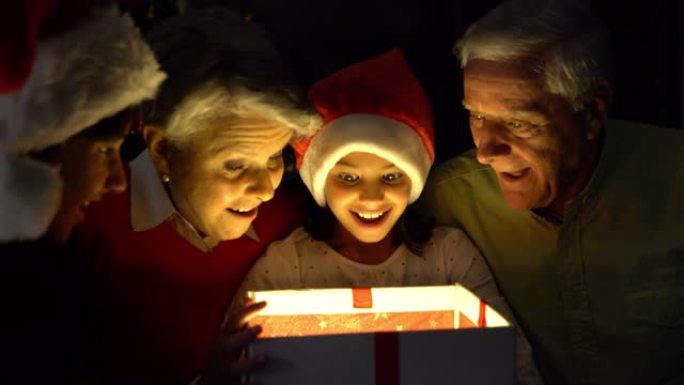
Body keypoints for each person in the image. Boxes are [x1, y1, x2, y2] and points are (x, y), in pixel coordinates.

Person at [232, 49, 542, 385]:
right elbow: (235, 365)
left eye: (391, 177)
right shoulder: (286, 265)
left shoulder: (449, 257)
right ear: (318, 181)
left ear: (415, 181)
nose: (371, 197)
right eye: (348, 178)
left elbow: (513, 363)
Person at [421, 1, 684, 384]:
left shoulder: (675, 177)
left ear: (592, 112)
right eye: (477, 116)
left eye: (517, 121)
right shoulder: (444, 202)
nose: (486, 151)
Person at [72, 7, 318, 385]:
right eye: (235, 165)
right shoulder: (90, 221)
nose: (266, 188)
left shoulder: (286, 221)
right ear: (163, 150)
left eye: (274, 157)